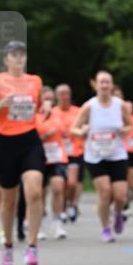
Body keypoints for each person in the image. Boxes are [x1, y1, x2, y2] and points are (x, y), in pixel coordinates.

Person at [0, 41, 45, 265]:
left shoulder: (35, 81)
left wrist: (44, 109)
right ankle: (8, 244)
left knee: (34, 191)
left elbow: (38, 107)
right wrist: (1, 105)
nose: (18, 58)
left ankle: (32, 245)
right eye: (14, 55)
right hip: (6, 144)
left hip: (30, 141)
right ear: (6, 60)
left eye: (22, 54)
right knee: (8, 200)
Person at [71, 69, 131, 243]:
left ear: (112, 85)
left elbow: (130, 125)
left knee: (120, 196)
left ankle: (118, 213)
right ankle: (106, 228)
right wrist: (82, 131)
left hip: (117, 154)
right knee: (105, 193)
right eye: (101, 82)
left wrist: (123, 130)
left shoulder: (120, 105)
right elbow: (74, 128)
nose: (104, 85)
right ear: (96, 85)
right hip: (95, 156)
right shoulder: (89, 106)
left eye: (107, 82)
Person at [36, 88, 69, 240]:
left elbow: (65, 132)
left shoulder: (58, 115)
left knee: (58, 187)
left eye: (50, 99)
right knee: (40, 193)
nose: (48, 102)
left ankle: (57, 223)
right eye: (45, 99)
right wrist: (43, 136)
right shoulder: (34, 115)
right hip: (39, 157)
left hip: (57, 157)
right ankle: (40, 223)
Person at [54, 84, 83, 220]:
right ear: (56, 96)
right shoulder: (52, 112)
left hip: (74, 152)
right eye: (61, 94)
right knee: (60, 184)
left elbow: (85, 126)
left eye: (67, 94)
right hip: (57, 154)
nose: (64, 97)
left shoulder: (78, 111)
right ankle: (62, 208)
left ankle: (71, 204)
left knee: (72, 183)